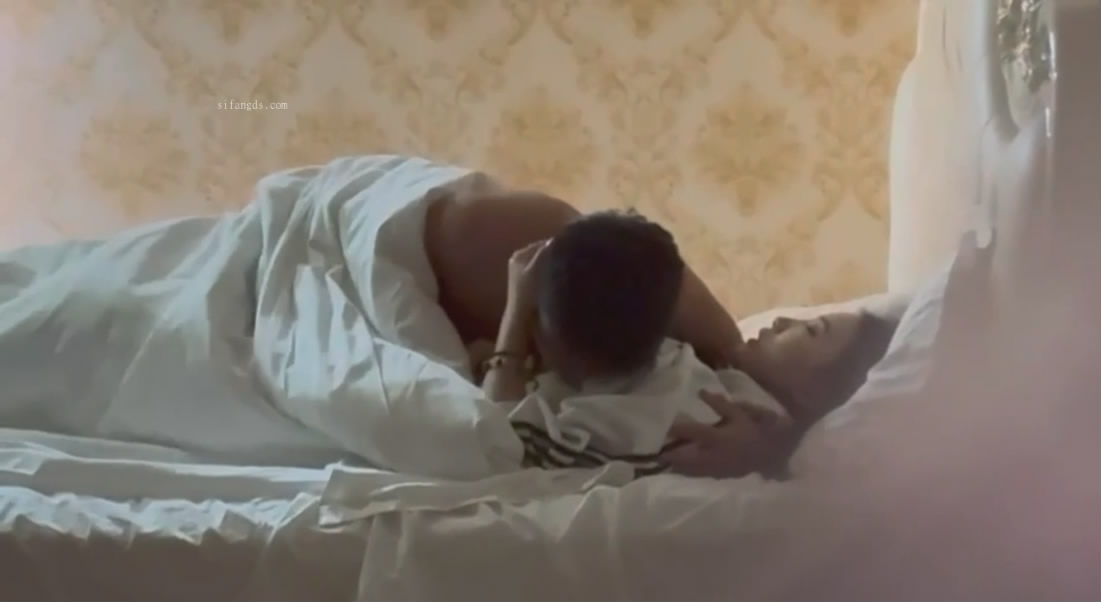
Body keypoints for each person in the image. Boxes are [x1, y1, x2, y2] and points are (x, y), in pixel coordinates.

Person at [423, 172, 744, 402]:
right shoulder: (692, 380)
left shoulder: (568, 422)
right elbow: (734, 350)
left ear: (546, 347)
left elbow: (494, 432)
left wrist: (514, 323)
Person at [661, 310, 898, 478]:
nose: (781, 320)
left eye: (811, 329)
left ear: (810, 393)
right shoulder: (731, 384)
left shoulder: (740, 417)